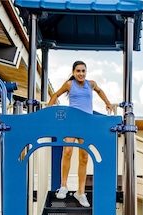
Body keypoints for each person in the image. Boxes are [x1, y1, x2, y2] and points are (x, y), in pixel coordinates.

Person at [47, 60, 115, 207]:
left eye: (83, 71)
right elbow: (55, 95)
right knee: (67, 150)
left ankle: (80, 192)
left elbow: (100, 91)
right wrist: (48, 111)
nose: (81, 74)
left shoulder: (91, 84)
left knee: (84, 157)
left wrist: (107, 102)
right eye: (78, 71)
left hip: (86, 125)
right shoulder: (69, 85)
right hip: (72, 123)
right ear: (73, 72)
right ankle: (64, 185)